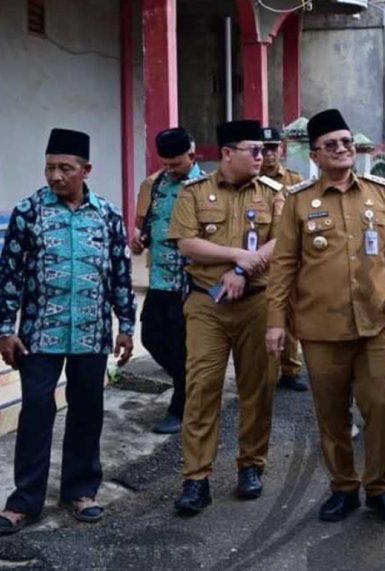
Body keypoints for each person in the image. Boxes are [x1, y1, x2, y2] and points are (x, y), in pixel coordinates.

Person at [266, 109, 385, 525]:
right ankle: (344, 487)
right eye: (332, 144)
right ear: (315, 154)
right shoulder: (298, 203)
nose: (343, 149)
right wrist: (276, 322)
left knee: (381, 406)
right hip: (320, 327)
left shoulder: (379, 193)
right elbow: (284, 267)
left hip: (376, 322)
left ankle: (381, 489)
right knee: (332, 413)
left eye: (347, 142)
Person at [0, 128, 136, 535]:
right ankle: (24, 502)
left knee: (87, 412)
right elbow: (9, 276)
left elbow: (120, 273)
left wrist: (126, 325)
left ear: (85, 170)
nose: (55, 175)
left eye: (65, 168)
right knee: (37, 411)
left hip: (91, 333)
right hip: (39, 334)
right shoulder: (29, 212)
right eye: (50, 167)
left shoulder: (106, 215)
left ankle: (80, 491)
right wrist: (5, 328)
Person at [167, 120, 284, 514]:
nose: (261, 156)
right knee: (202, 387)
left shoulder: (272, 194)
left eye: (263, 151)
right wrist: (236, 256)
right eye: (252, 150)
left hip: (257, 302)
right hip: (207, 305)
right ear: (227, 153)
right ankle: (196, 477)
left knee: (259, 386)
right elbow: (186, 242)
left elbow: (282, 240)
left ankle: (251, 465)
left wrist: (242, 272)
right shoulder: (194, 193)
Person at [131, 128, 203, 434]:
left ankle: (181, 405)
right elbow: (144, 226)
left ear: (192, 155)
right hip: (159, 279)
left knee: (183, 346)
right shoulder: (153, 184)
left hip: (193, 283)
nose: (170, 170)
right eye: (166, 164)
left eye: (176, 164)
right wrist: (139, 241)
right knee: (151, 338)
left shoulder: (208, 186)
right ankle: (190, 385)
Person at [261, 126, 307, 392]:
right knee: (261, 315)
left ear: (281, 149)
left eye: (273, 148)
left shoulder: (294, 180)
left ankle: (290, 369)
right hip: (257, 258)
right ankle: (263, 368)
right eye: (264, 149)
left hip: (288, 258)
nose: (268, 154)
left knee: (289, 314)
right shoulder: (250, 179)